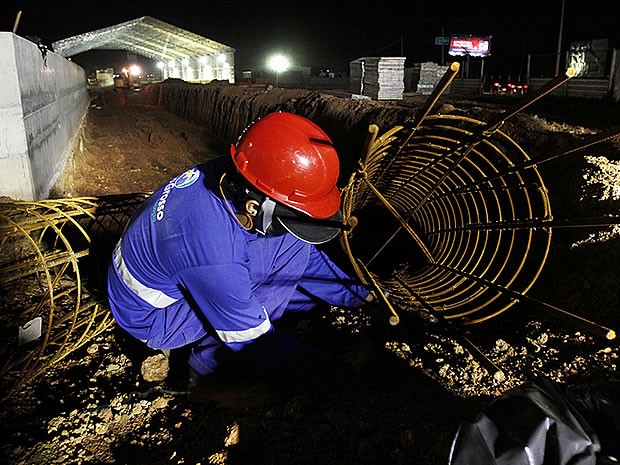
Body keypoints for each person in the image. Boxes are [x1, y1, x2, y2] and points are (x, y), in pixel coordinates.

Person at [106, 111, 375, 396]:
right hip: (156, 316)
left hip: (184, 271)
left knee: (288, 245)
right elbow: (252, 340)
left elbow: (300, 250)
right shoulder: (213, 249)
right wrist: (335, 370)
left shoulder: (240, 174)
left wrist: (362, 296)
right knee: (264, 291)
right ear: (255, 206)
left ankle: (321, 301)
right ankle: (209, 367)